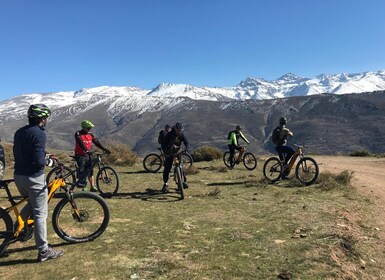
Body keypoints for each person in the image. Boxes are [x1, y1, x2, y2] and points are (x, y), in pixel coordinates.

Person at [13, 104, 64, 262]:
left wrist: (45, 153)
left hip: (18, 176)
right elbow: (38, 161)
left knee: (32, 203)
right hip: (33, 177)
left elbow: (25, 151)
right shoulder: (40, 133)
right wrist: (49, 162)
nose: (47, 119)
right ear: (41, 118)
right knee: (41, 214)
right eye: (46, 117)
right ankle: (44, 251)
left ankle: (19, 226)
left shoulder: (20, 131)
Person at [74, 120, 110, 191]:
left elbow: (97, 142)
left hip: (88, 155)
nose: (89, 129)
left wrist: (105, 149)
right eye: (88, 128)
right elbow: (80, 142)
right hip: (80, 155)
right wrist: (86, 150)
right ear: (84, 127)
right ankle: (83, 186)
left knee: (90, 170)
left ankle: (92, 187)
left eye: (90, 128)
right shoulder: (78, 134)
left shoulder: (90, 135)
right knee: (82, 170)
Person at [161, 122, 190, 193]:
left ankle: (183, 182)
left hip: (177, 152)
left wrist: (187, 147)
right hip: (169, 152)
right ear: (175, 129)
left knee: (181, 167)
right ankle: (165, 184)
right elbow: (164, 143)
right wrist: (166, 150)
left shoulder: (181, 134)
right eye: (179, 130)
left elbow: (186, 142)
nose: (180, 131)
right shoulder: (170, 134)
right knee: (167, 168)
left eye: (181, 130)